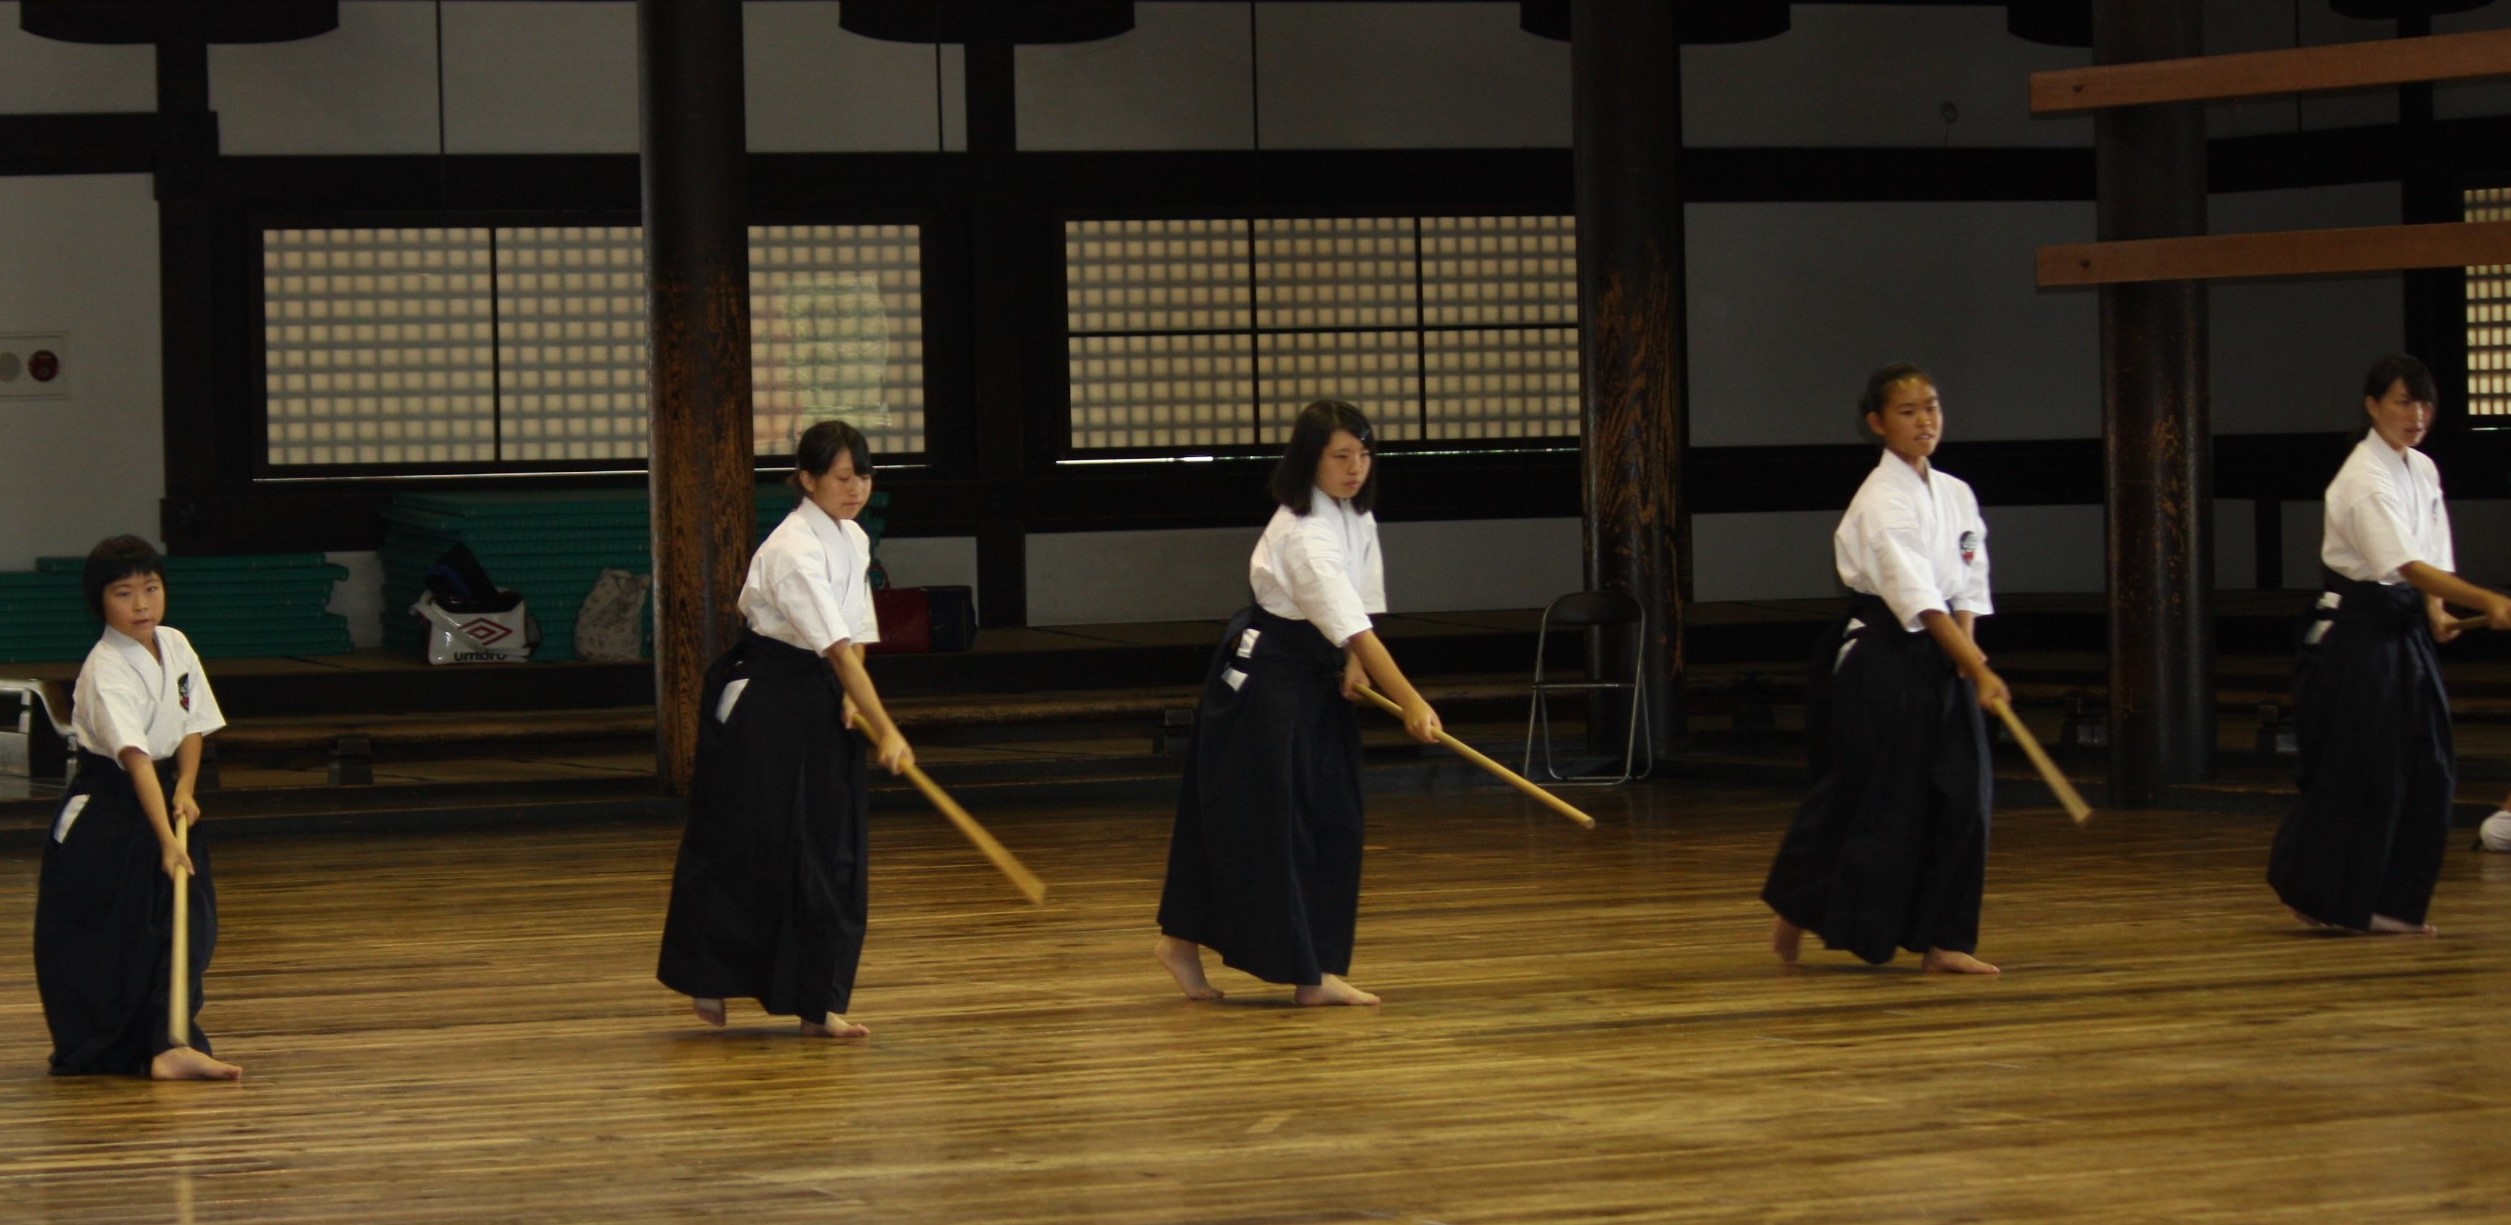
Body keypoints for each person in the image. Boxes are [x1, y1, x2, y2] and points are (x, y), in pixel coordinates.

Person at [1154, 399, 1443, 1006]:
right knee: (1264, 824)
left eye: (1363, 455)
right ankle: (1285, 968)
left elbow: (1361, 607)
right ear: (1309, 459)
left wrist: (1355, 667)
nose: (1355, 468)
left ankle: (1311, 965)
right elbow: (1352, 627)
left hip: (1317, 673)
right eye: (1341, 456)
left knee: (1332, 817)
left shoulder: (1352, 515)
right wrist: (1412, 701)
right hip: (1267, 683)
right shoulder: (1303, 533)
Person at [657, 421, 914, 1038]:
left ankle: (817, 1001)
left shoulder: (853, 538)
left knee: (828, 850)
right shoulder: (794, 550)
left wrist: (853, 701)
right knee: (747, 841)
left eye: (864, 477)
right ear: (807, 479)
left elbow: (855, 635)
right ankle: (710, 976)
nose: (856, 489)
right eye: (843, 478)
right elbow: (838, 650)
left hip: (821, 692)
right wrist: (888, 730)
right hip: (766, 703)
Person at [1761, 364, 2007, 975]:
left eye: (1932, 407)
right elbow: (1915, 596)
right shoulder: (1880, 499)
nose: (1925, 421)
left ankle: (1946, 941)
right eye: (1908, 411)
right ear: (1876, 423)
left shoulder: (1955, 493)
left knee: (1965, 798)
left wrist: (1968, 656)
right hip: (1884, 656)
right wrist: (1973, 665)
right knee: (1872, 796)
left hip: (1945, 650)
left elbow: (1967, 582)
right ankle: (1798, 906)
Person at [2269, 355, 2511, 934]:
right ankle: (2323, 896)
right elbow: (2404, 564)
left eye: (2425, 403)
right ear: (2373, 405)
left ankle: (2389, 902)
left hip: (2402, 627)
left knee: (2428, 762)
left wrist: (2438, 611)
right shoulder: (2362, 478)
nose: (2417, 414)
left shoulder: (2421, 469)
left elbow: (2428, 558)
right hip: (2357, 634)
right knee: (2364, 765)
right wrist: (2488, 600)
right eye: (2404, 402)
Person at [35, 536, 242, 1079]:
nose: (141, 604)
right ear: (100, 602)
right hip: (108, 813)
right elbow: (135, 759)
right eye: (124, 593)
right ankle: (113, 1046)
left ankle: (171, 1042)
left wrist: (186, 789)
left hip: (166, 799)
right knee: (117, 935)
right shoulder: (106, 668)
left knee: (187, 925)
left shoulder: (174, 644)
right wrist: (168, 841)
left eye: (150, 588)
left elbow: (193, 722)